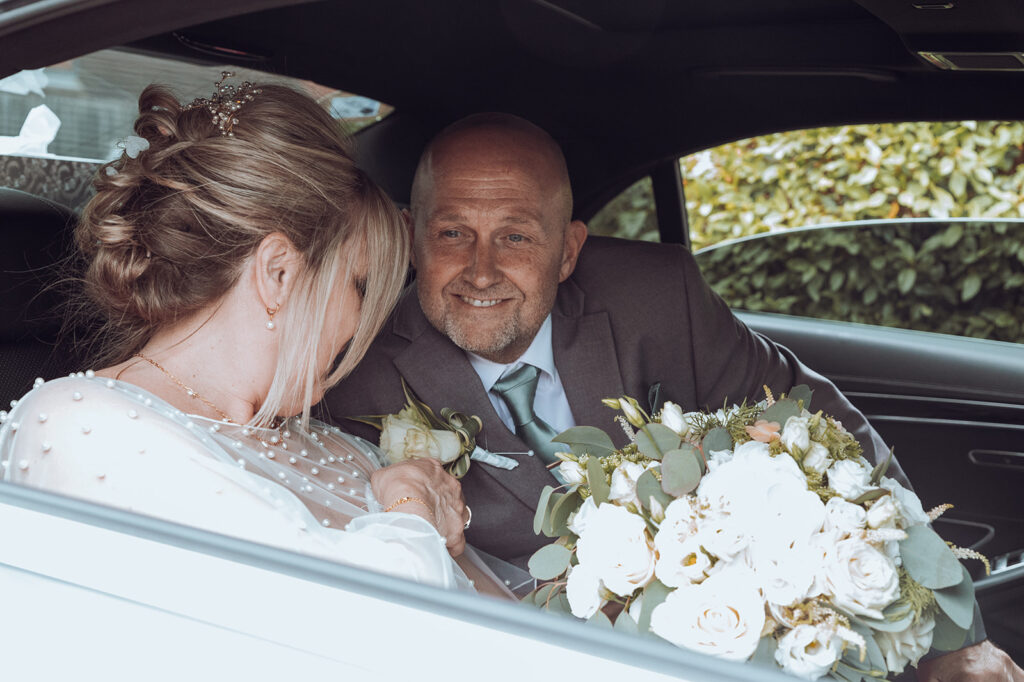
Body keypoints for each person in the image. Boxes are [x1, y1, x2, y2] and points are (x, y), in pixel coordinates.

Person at [324, 113, 1023, 678]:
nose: (480, 270)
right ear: (414, 237)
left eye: (514, 236)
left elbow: (826, 434)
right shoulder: (354, 366)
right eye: (453, 233)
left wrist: (945, 646)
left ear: (567, 252)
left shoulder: (658, 297)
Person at [0, 76, 506, 595]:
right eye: (358, 284)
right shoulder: (80, 427)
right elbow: (355, 622)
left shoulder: (336, 447)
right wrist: (411, 508)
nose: (365, 325)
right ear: (278, 274)